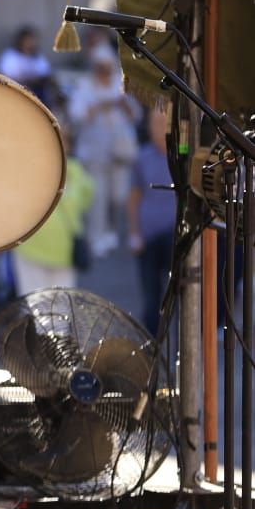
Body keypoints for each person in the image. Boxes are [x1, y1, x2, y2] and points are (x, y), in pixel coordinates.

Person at [69, 48, 141, 257]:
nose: (105, 73)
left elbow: (135, 114)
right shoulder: (85, 86)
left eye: (109, 68)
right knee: (97, 197)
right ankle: (96, 238)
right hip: (94, 153)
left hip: (119, 153)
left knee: (118, 196)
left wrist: (123, 105)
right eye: (102, 68)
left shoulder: (120, 84)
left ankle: (111, 232)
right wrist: (103, 105)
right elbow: (78, 114)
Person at [11, 134, 95, 294]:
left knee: (59, 308)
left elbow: (87, 198)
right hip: (32, 249)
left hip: (62, 251)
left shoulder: (75, 170)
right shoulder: (28, 169)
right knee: (38, 307)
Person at [128, 102, 176, 334]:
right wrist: (134, 233)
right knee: (150, 294)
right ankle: (150, 342)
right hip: (148, 236)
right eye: (155, 123)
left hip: (176, 236)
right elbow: (134, 198)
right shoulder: (142, 158)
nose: (159, 128)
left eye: (163, 123)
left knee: (177, 294)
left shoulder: (181, 157)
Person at [0, 25, 58, 114]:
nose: (30, 42)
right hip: (14, 92)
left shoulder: (38, 58)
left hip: (37, 93)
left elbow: (46, 76)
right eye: (27, 39)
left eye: (32, 40)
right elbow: (4, 76)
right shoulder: (10, 56)